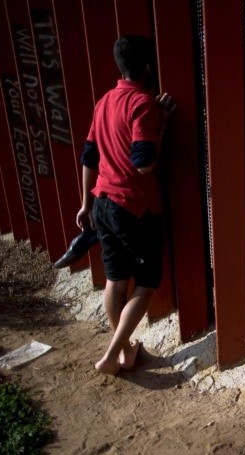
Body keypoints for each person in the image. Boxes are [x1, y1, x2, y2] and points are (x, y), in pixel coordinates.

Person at [76, 35, 176, 375]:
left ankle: (126, 352)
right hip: (134, 208)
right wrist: (162, 125)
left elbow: (89, 157)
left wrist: (85, 204)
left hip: (101, 204)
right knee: (146, 283)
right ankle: (111, 355)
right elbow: (144, 163)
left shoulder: (104, 101)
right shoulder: (142, 103)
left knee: (115, 280)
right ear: (147, 67)